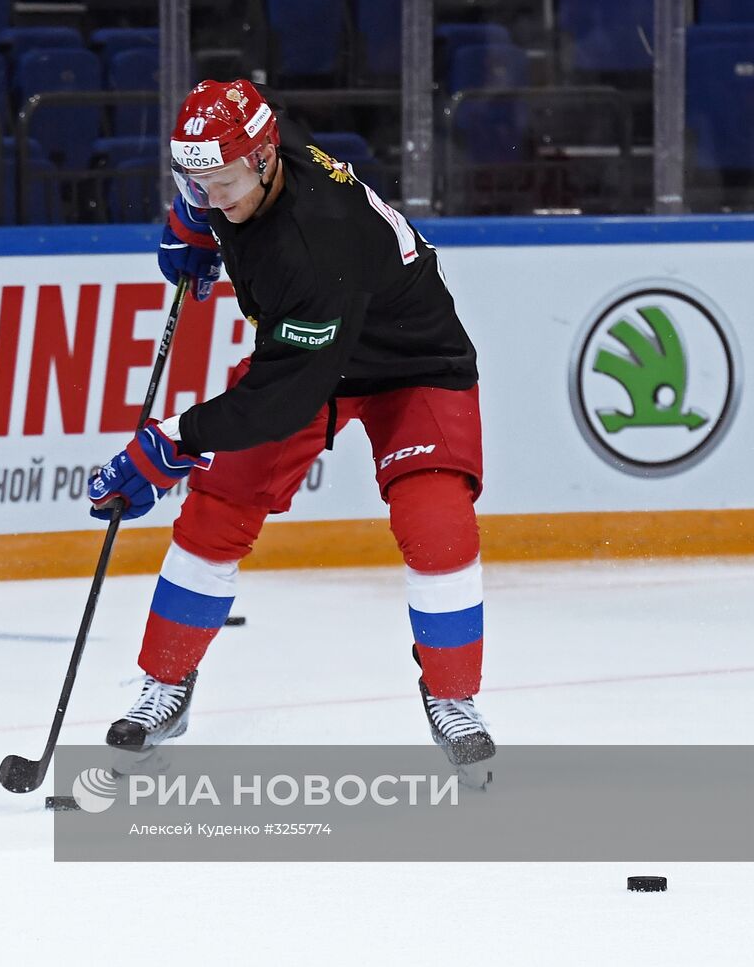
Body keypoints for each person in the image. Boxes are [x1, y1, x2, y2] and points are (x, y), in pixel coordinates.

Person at [88, 80, 493, 770]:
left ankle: (453, 696)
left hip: (412, 362)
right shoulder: (244, 166)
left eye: (223, 185)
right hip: (312, 352)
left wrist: (175, 440)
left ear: (268, 159)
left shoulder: (315, 245)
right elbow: (210, 188)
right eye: (196, 182)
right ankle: (166, 682)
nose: (215, 197)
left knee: (436, 520)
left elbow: (281, 399)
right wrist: (194, 220)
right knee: (218, 507)